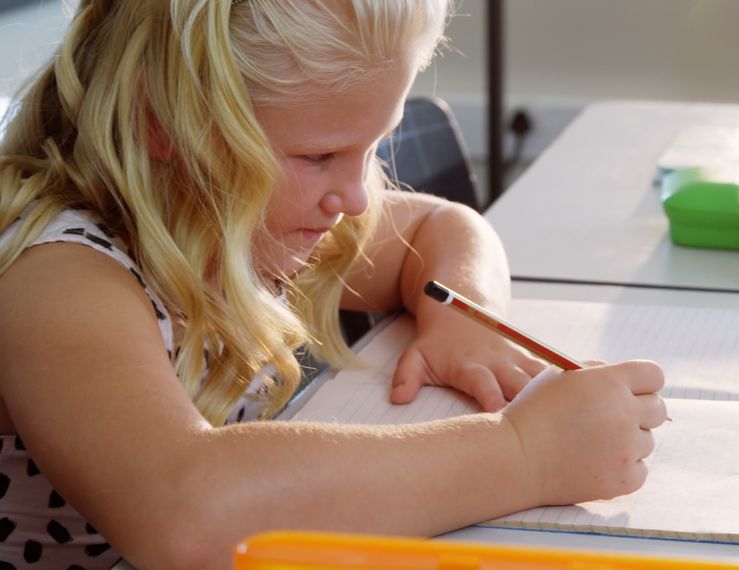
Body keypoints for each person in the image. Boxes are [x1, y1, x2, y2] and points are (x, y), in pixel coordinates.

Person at [0, 0, 667, 568]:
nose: (354, 196)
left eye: (373, 146)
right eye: (319, 156)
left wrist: (464, 316)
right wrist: (525, 453)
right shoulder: (55, 275)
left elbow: (441, 226)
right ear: (165, 122)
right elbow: (185, 512)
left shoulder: (231, 212)